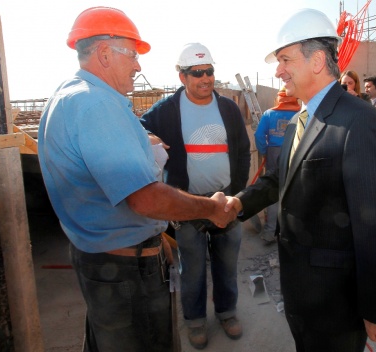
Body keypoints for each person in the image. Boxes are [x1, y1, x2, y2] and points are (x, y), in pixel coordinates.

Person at [37, 9, 236, 352]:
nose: (138, 66)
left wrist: (141, 141)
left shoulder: (70, 95)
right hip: (125, 273)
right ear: (103, 54)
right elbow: (145, 199)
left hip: (99, 260)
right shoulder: (96, 105)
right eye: (132, 55)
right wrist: (211, 208)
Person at [225, 8, 376, 351]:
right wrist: (238, 203)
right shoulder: (299, 121)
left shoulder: (360, 123)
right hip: (303, 291)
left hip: (336, 299)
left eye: (285, 60)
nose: (278, 71)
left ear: (318, 60)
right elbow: (280, 179)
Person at [140, 42, 250, 349]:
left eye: (209, 71)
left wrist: (238, 194)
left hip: (226, 202)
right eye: (196, 73)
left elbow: (242, 151)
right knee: (192, 268)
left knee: (227, 263)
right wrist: (146, 136)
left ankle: (227, 313)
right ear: (182, 77)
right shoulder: (166, 110)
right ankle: (195, 321)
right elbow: (134, 127)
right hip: (187, 205)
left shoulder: (227, 107)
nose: (205, 78)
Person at [253, 87, 300, 243]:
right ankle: (292, 232)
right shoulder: (301, 113)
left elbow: (259, 135)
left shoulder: (269, 114)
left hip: (274, 152)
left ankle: (270, 232)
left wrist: (265, 151)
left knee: (273, 189)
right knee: (294, 189)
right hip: (296, 150)